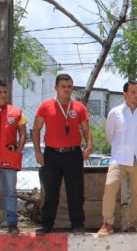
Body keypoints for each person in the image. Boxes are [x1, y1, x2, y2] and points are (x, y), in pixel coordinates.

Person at [32, 74, 93, 234]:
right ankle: (46, 225)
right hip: (51, 154)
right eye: (63, 86)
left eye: (69, 86)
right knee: (51, 191)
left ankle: (78, 225)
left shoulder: (79, 107)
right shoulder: (45, 106)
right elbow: (36, 129)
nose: (67, 89)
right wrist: (38, 151)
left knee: (76, 191)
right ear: (56, 88)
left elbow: (87, 129)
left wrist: (89, 146)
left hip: (73, 154)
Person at [97, 81, 137, 236]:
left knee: (136, 194)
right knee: (110, 186)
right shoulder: (115, 113)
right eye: (133, 92)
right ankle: (107, 224)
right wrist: (123, 149)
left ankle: (132, 224)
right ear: (125, 94)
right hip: (119, 159)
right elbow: (110, 135)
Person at [0, 80, 27, 234]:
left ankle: (12, 224)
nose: (3, 95)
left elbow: (23, 134)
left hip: (8, 158)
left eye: (5, 92)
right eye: (0, 92)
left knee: (10, 191)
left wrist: (17, 150)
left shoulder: (17, 112)